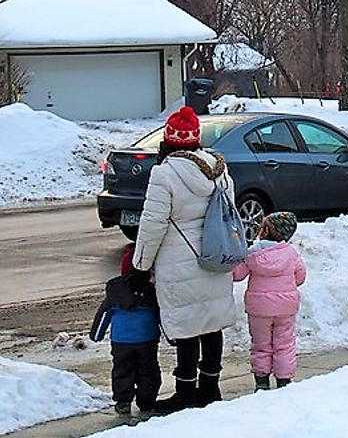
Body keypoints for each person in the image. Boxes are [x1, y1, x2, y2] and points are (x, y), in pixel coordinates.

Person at [131, 105, 237, 414]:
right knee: (211, 323)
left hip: (180, 263)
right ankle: (211, 387)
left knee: (188, 328)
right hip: (216, 258)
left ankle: (186, 392)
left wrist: (140, 265)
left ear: (169, 141)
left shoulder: (164, 174)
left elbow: (152, 225)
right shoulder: (219, 169)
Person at [233, 211, 307, 391]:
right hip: (286, 307)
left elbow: (237, 275)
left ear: (264, 231)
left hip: (259, 309)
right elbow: (300, 277)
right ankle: (284, 383)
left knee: (260, 345)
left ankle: (261, 382)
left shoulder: (252, 254)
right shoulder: (291, 253)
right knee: (285, 344)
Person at [89, 244, 162, 417]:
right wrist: (172, 337)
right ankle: (147, 402)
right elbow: (162, 316)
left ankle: (123, 401)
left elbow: (104, 314)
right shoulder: (152, 292)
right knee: (148, 371)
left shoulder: (115, 292)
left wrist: (96, 335)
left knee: (122, 371)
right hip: (147, 339)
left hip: (121, 341)